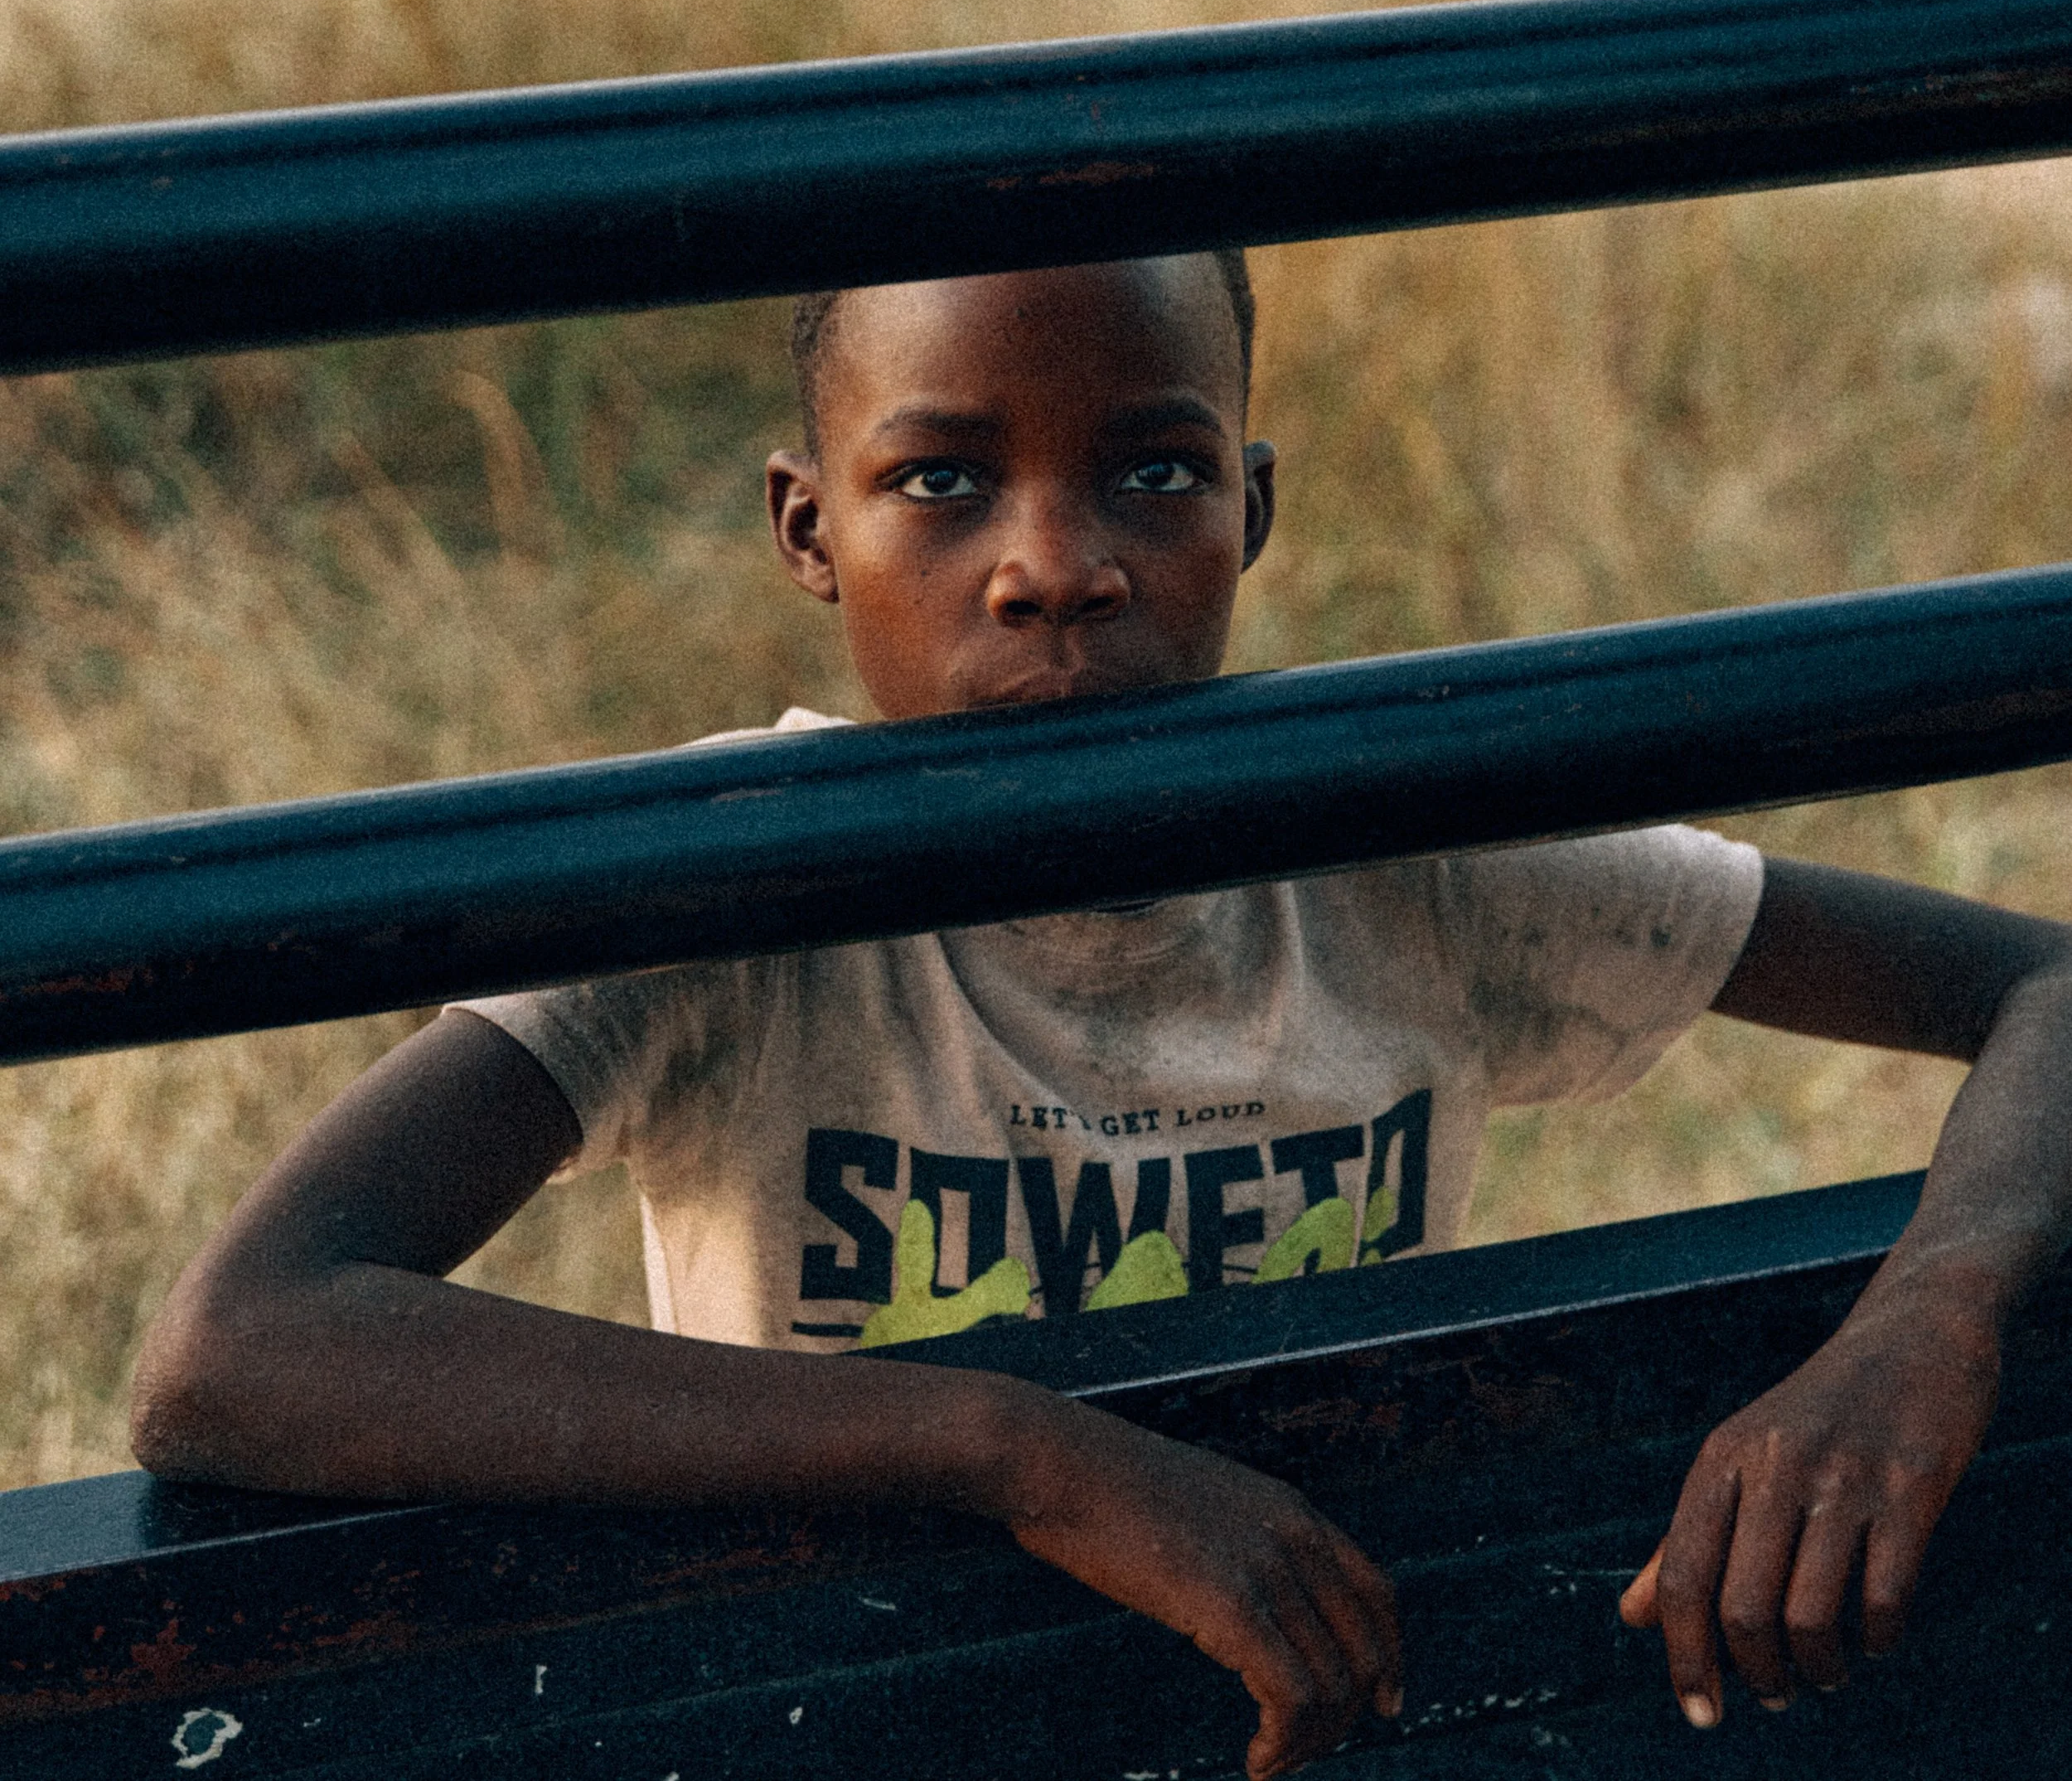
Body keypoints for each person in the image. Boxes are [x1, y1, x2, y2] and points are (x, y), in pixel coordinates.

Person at [132, 252, 2072, 1777]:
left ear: (1253, 502)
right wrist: (1017, 1445)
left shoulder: (1398, 836)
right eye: (940, 479)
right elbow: (238, 1345)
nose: (1054, 567)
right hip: (851, 1696)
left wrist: (1923, 1312)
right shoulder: (731, 875)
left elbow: (2044, 981)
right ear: (809, 531)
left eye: (1152, 469)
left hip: (1326, 1680)